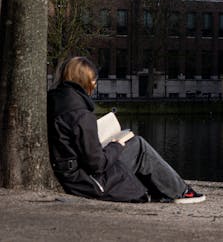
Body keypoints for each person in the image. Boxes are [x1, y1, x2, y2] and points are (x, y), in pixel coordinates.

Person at [47, 56, 205, 204]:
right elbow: (97, 164)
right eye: (93, 81)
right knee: (139, 146)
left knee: (135, 144)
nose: (94, 86)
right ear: (85, 82)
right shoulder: (80, 114)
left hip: (71, 173)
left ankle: (171, 189)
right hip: (86, 180)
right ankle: (182, 192)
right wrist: (115, 145)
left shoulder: (56, 101)